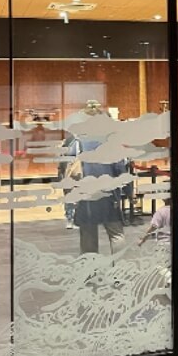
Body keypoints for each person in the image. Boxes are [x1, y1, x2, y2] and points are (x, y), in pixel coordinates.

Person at [70, 101, 127, 255]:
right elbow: (120, 169)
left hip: (85, 193)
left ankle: (90, 266)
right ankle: (120, 266)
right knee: (116, 233)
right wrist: (127, 192)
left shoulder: (77, 143)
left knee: (88, 233)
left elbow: (68, 169)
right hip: (108, 192)